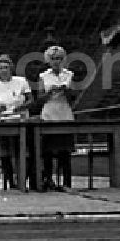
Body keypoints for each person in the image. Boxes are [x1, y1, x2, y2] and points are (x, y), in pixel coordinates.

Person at [0, 53, 33, 189]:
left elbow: (30, 100)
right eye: (0, 68)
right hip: (3, 122)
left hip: (21, 120)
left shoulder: (21, 81)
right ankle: (10, 181)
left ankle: (23, 179)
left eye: (6, 67)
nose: (4, 70)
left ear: (11, 68)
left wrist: (22, 106)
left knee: (23, 150)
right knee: (5, 151)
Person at [38, 43, 77, 191]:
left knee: (64, 151)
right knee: (47, 151)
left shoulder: (69, 74)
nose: (56, 61)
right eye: (54, 58)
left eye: (59, 58)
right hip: (49, 113)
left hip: (64, 113)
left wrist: (66, 90)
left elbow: (73, 97)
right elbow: (39, 98)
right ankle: (48, 180)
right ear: (49, 60)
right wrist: (50, 92)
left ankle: (67, 183)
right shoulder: (44, 76)